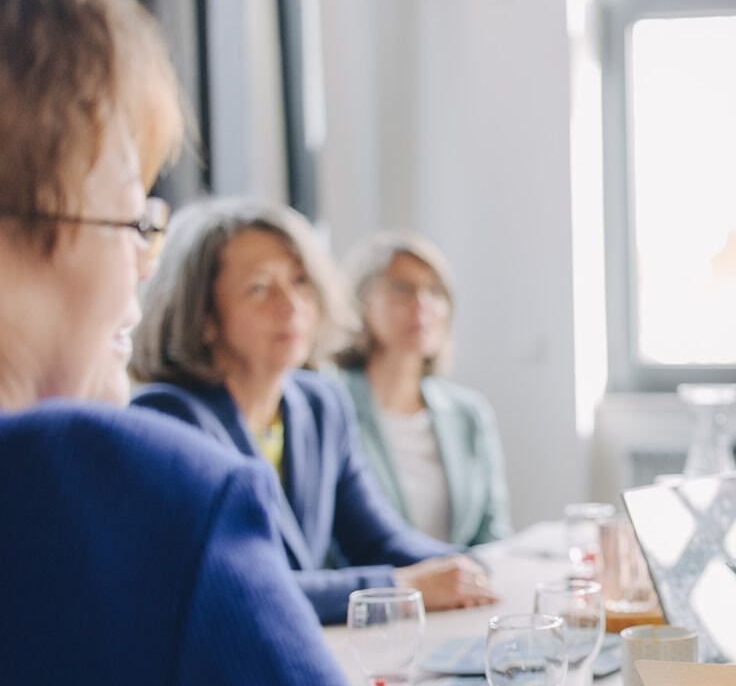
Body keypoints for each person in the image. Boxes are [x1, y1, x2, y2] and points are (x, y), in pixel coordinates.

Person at [0, 0, 493, 686]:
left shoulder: (299, 415)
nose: (142, 259)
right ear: (47, 208)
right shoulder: (133, 492)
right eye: (136, 212)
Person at [129, 198, 498, 624]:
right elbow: (238, 585)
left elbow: (377, 539)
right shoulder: (168, 418)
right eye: (260, 288)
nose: (291, 305)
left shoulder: (320, 402)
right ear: (203, 316)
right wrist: (403, 587)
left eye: (300, 281)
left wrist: (467, 567)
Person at [333, 231, 513, 547]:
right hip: (378, 592)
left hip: (463, 590)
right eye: (402, 289)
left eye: (434, 291)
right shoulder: (332, 405)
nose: (421, 304)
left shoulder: (469, 412)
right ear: (362, 301)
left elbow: (493, 534)